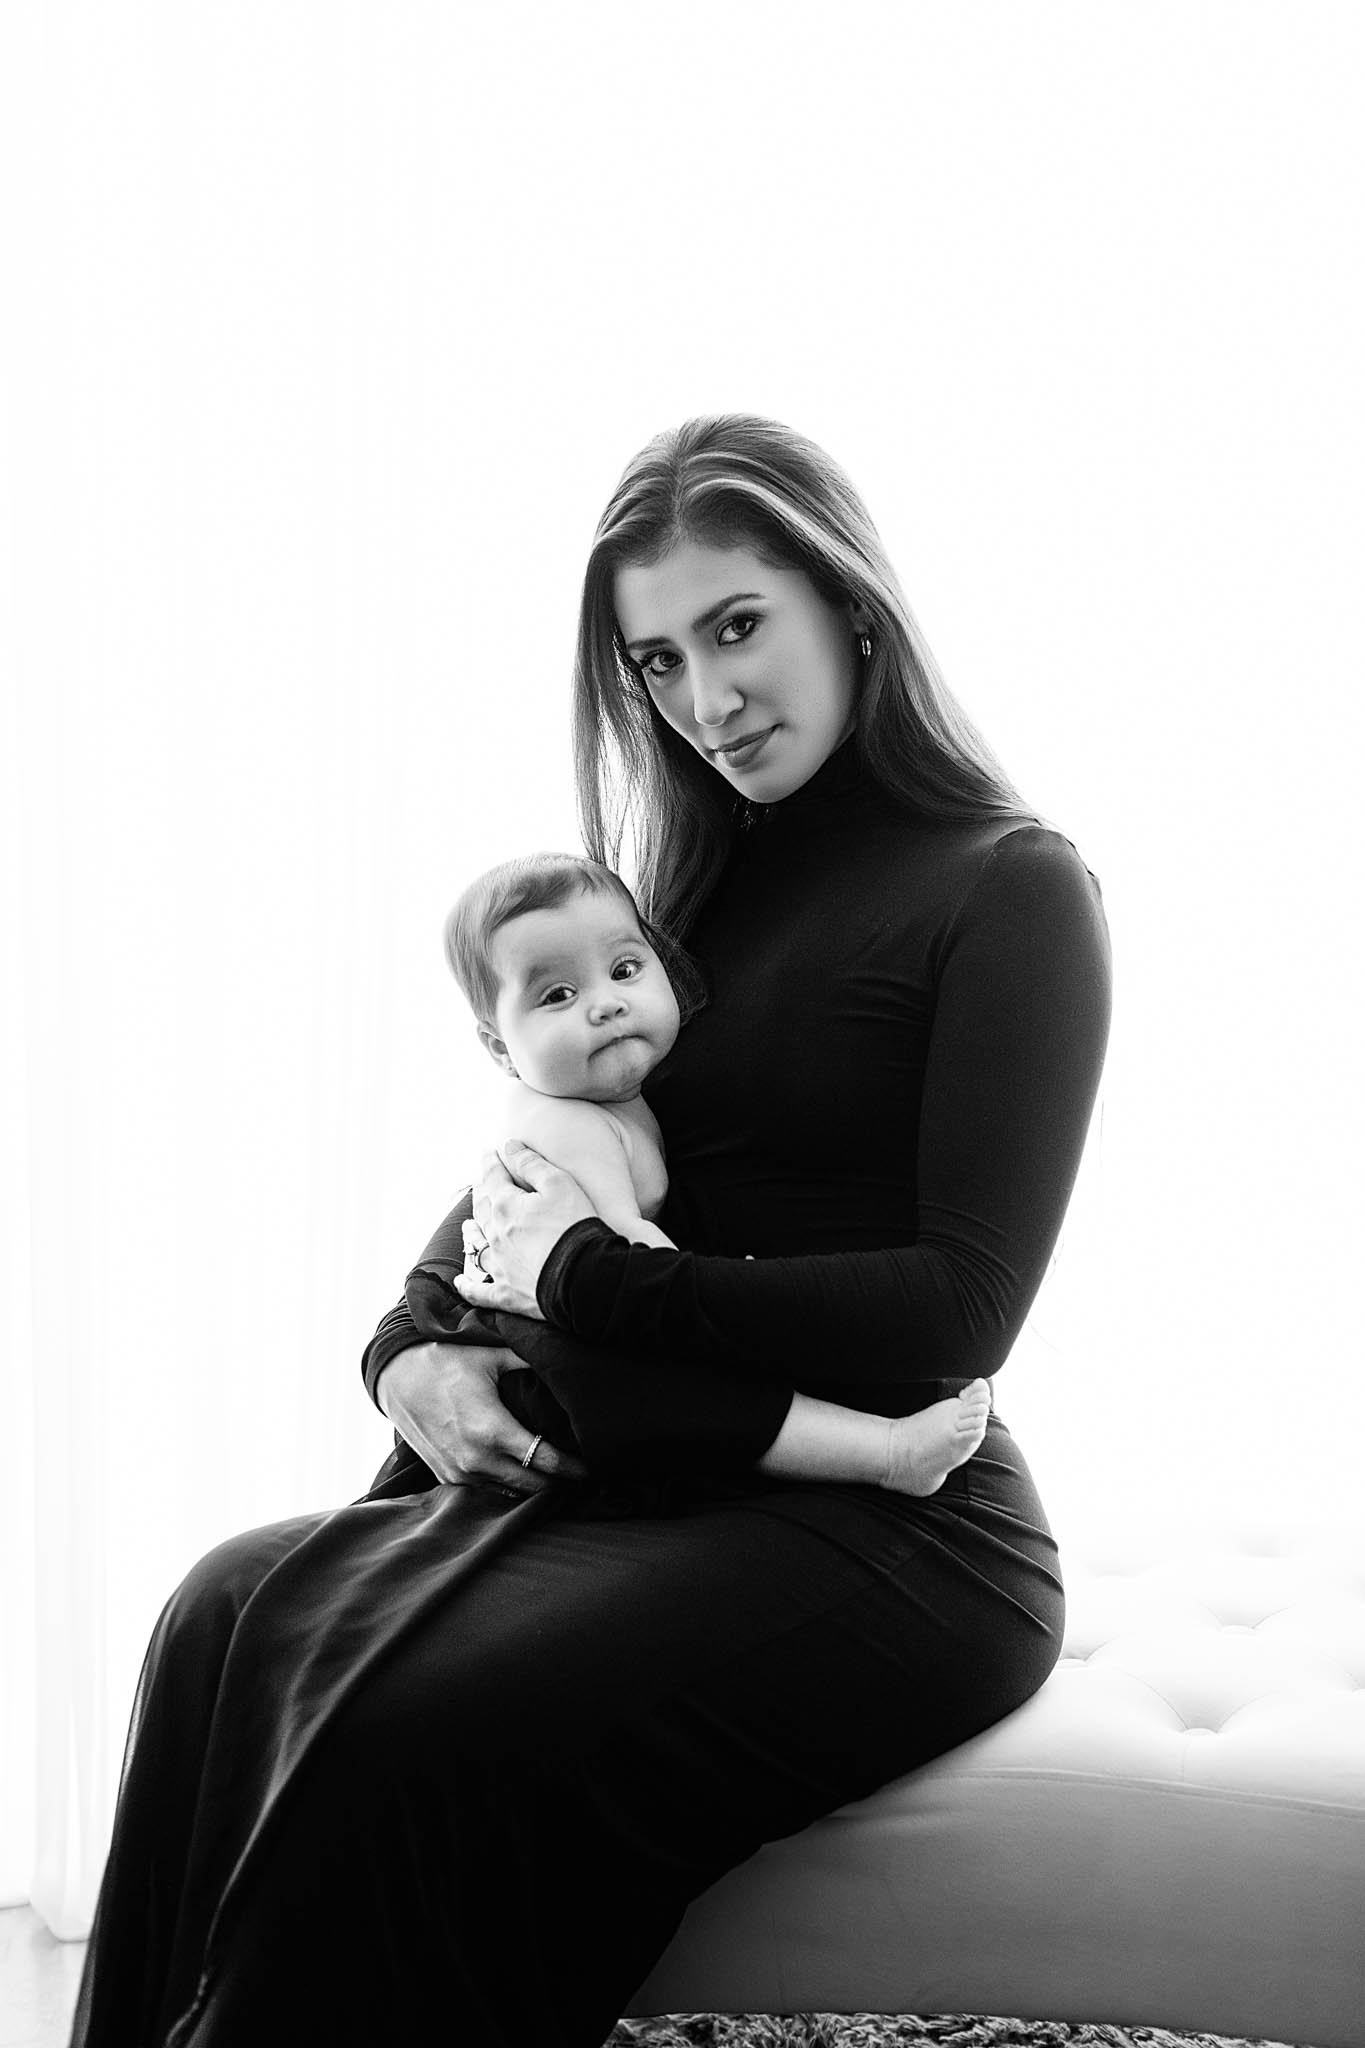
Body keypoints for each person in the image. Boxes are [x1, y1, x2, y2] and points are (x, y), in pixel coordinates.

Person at [71, 414, 1111, 2048]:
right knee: (224, 1608)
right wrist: (408, 1342)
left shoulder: (1016, 889)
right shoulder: (686, 892)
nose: (707, 698)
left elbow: (955, 1314)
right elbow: (543, 1154)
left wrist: (595, 1283)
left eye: (738, 624)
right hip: (671, 1452)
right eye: (659, 659)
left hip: (902, 1515)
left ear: (850, 601)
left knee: (428, 1730)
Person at [445, 846, 993, 1496]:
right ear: (500, 1049)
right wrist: (735, 1297)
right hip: (554, 1379)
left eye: (624, 969)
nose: (606, 1004)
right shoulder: (567, 1126)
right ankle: (886, 1454)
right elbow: (615, 1268)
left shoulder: (621, 1098)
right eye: (558, 994)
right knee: (686, 1388)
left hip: (574, 1351)